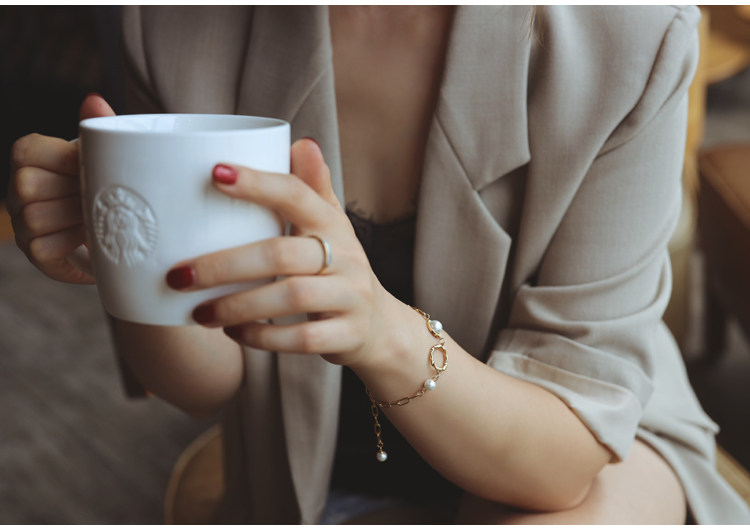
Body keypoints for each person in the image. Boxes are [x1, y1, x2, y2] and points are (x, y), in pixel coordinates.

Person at [7, 6, 750, 525]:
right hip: (305, 453)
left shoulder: (631, 32)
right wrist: (127, 249)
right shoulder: (174, 20)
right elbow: (204, 383)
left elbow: (560, 464)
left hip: (574, 432)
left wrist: (380, 332)